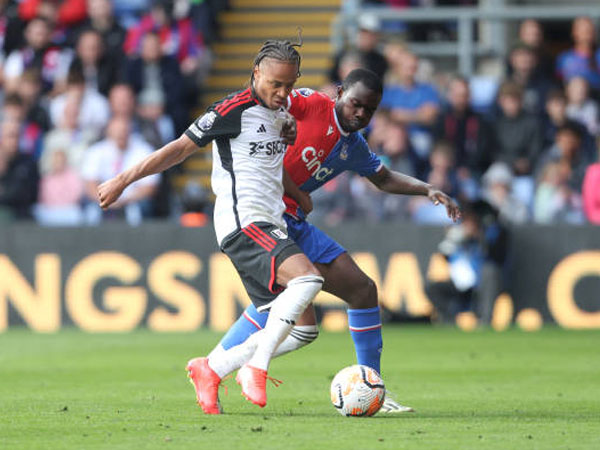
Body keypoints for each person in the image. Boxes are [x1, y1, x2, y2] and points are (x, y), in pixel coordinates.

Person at [200, 69, 460, 414]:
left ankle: (371, 387)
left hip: (294, 221)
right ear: (340, 93)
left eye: (370, 110)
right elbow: (266, 99)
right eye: (356, 104)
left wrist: (426, 188)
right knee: (282, 303)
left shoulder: (352, 147)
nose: (361, 115)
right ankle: (214, 368)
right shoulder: (309, 103)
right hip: (265, 215)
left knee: (361, 290)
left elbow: (382, 178)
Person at [97, 39, 324, 412]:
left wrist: (297, 194)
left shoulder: (282, 116)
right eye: (275, 84)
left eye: (289, 85)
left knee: (303, 330)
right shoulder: (230, 110)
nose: (282, 93)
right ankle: (255, 366)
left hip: (272, 222)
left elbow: (266, 163)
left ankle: (212, 368)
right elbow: (178, 149)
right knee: (309, 280)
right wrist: (124, 180)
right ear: (256, 73)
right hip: (243, 221)